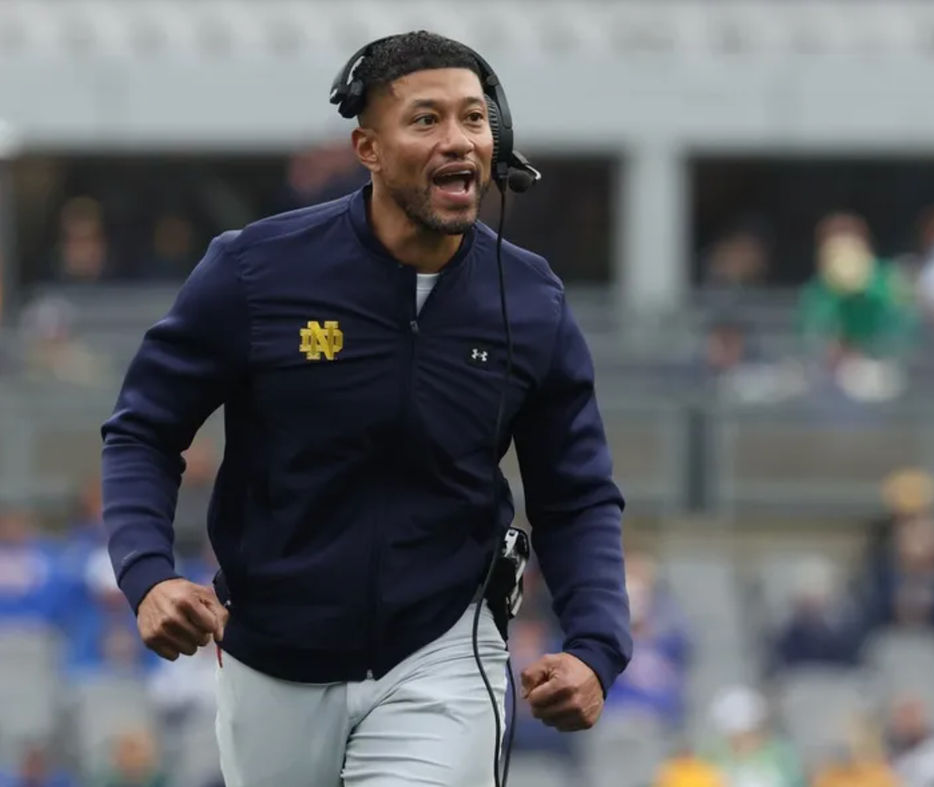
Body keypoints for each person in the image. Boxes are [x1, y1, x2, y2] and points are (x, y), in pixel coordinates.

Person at [99, 31, 631, 787]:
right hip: (271, 654)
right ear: (368, 149)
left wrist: (596, 647)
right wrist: (149, 575)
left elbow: (576, 494)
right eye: (427, 119)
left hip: (446, 648)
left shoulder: (532, 299)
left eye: (474, 118)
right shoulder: (254, 270)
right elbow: (143, 434)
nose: (459, 139)